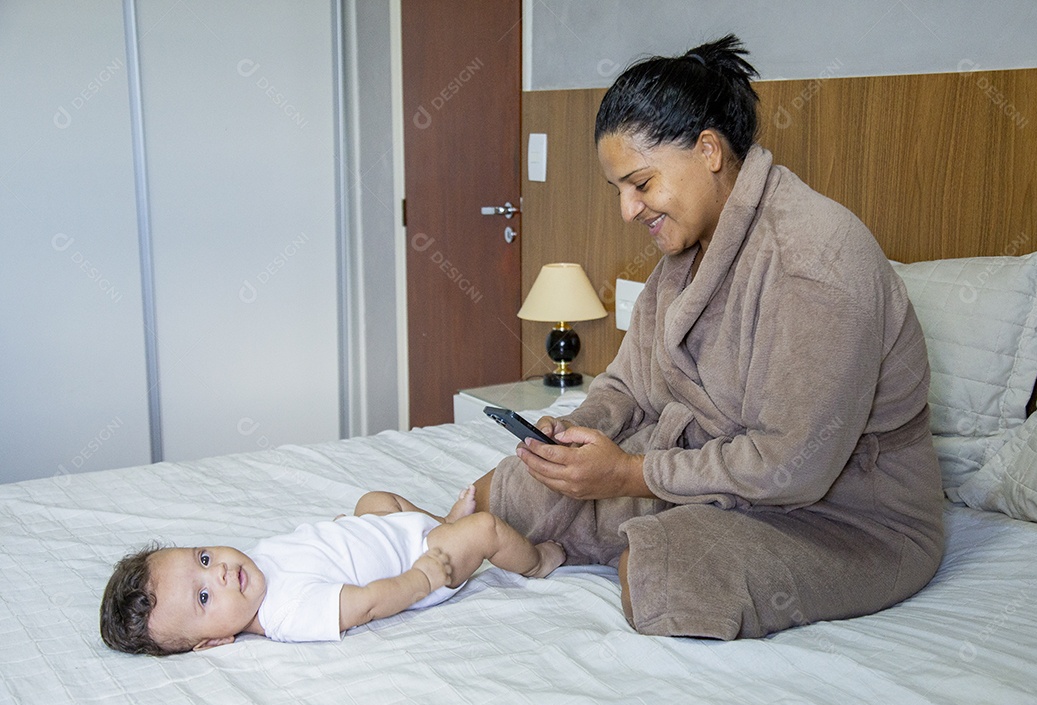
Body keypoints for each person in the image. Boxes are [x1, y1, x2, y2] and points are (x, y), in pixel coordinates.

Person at [472, 34, 945, 640]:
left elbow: (791, 468)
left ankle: (568, 547)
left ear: (708, 150)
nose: (627, 209)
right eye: (617, 189)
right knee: (517, 487)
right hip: (720, 473)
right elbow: (627, 382)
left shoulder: (814, 261)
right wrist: (577, 435)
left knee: (669, 574)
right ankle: (426, 542)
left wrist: (627, 476)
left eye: (640, 184)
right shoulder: (687, 251)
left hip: (847, 515)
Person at [100, 486, 565, 655]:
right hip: (419, 562)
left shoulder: (250, 568)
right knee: (485, 529)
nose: (218, 573)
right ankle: (538, 561)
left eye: (203, 558)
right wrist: (422, 577)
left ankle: (442, 521)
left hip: (389, 532)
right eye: (204, 598)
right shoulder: (287, 614)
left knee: (374, 501)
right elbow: (364, 605)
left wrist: (346, 531)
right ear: (215, 641)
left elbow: (312, 549)